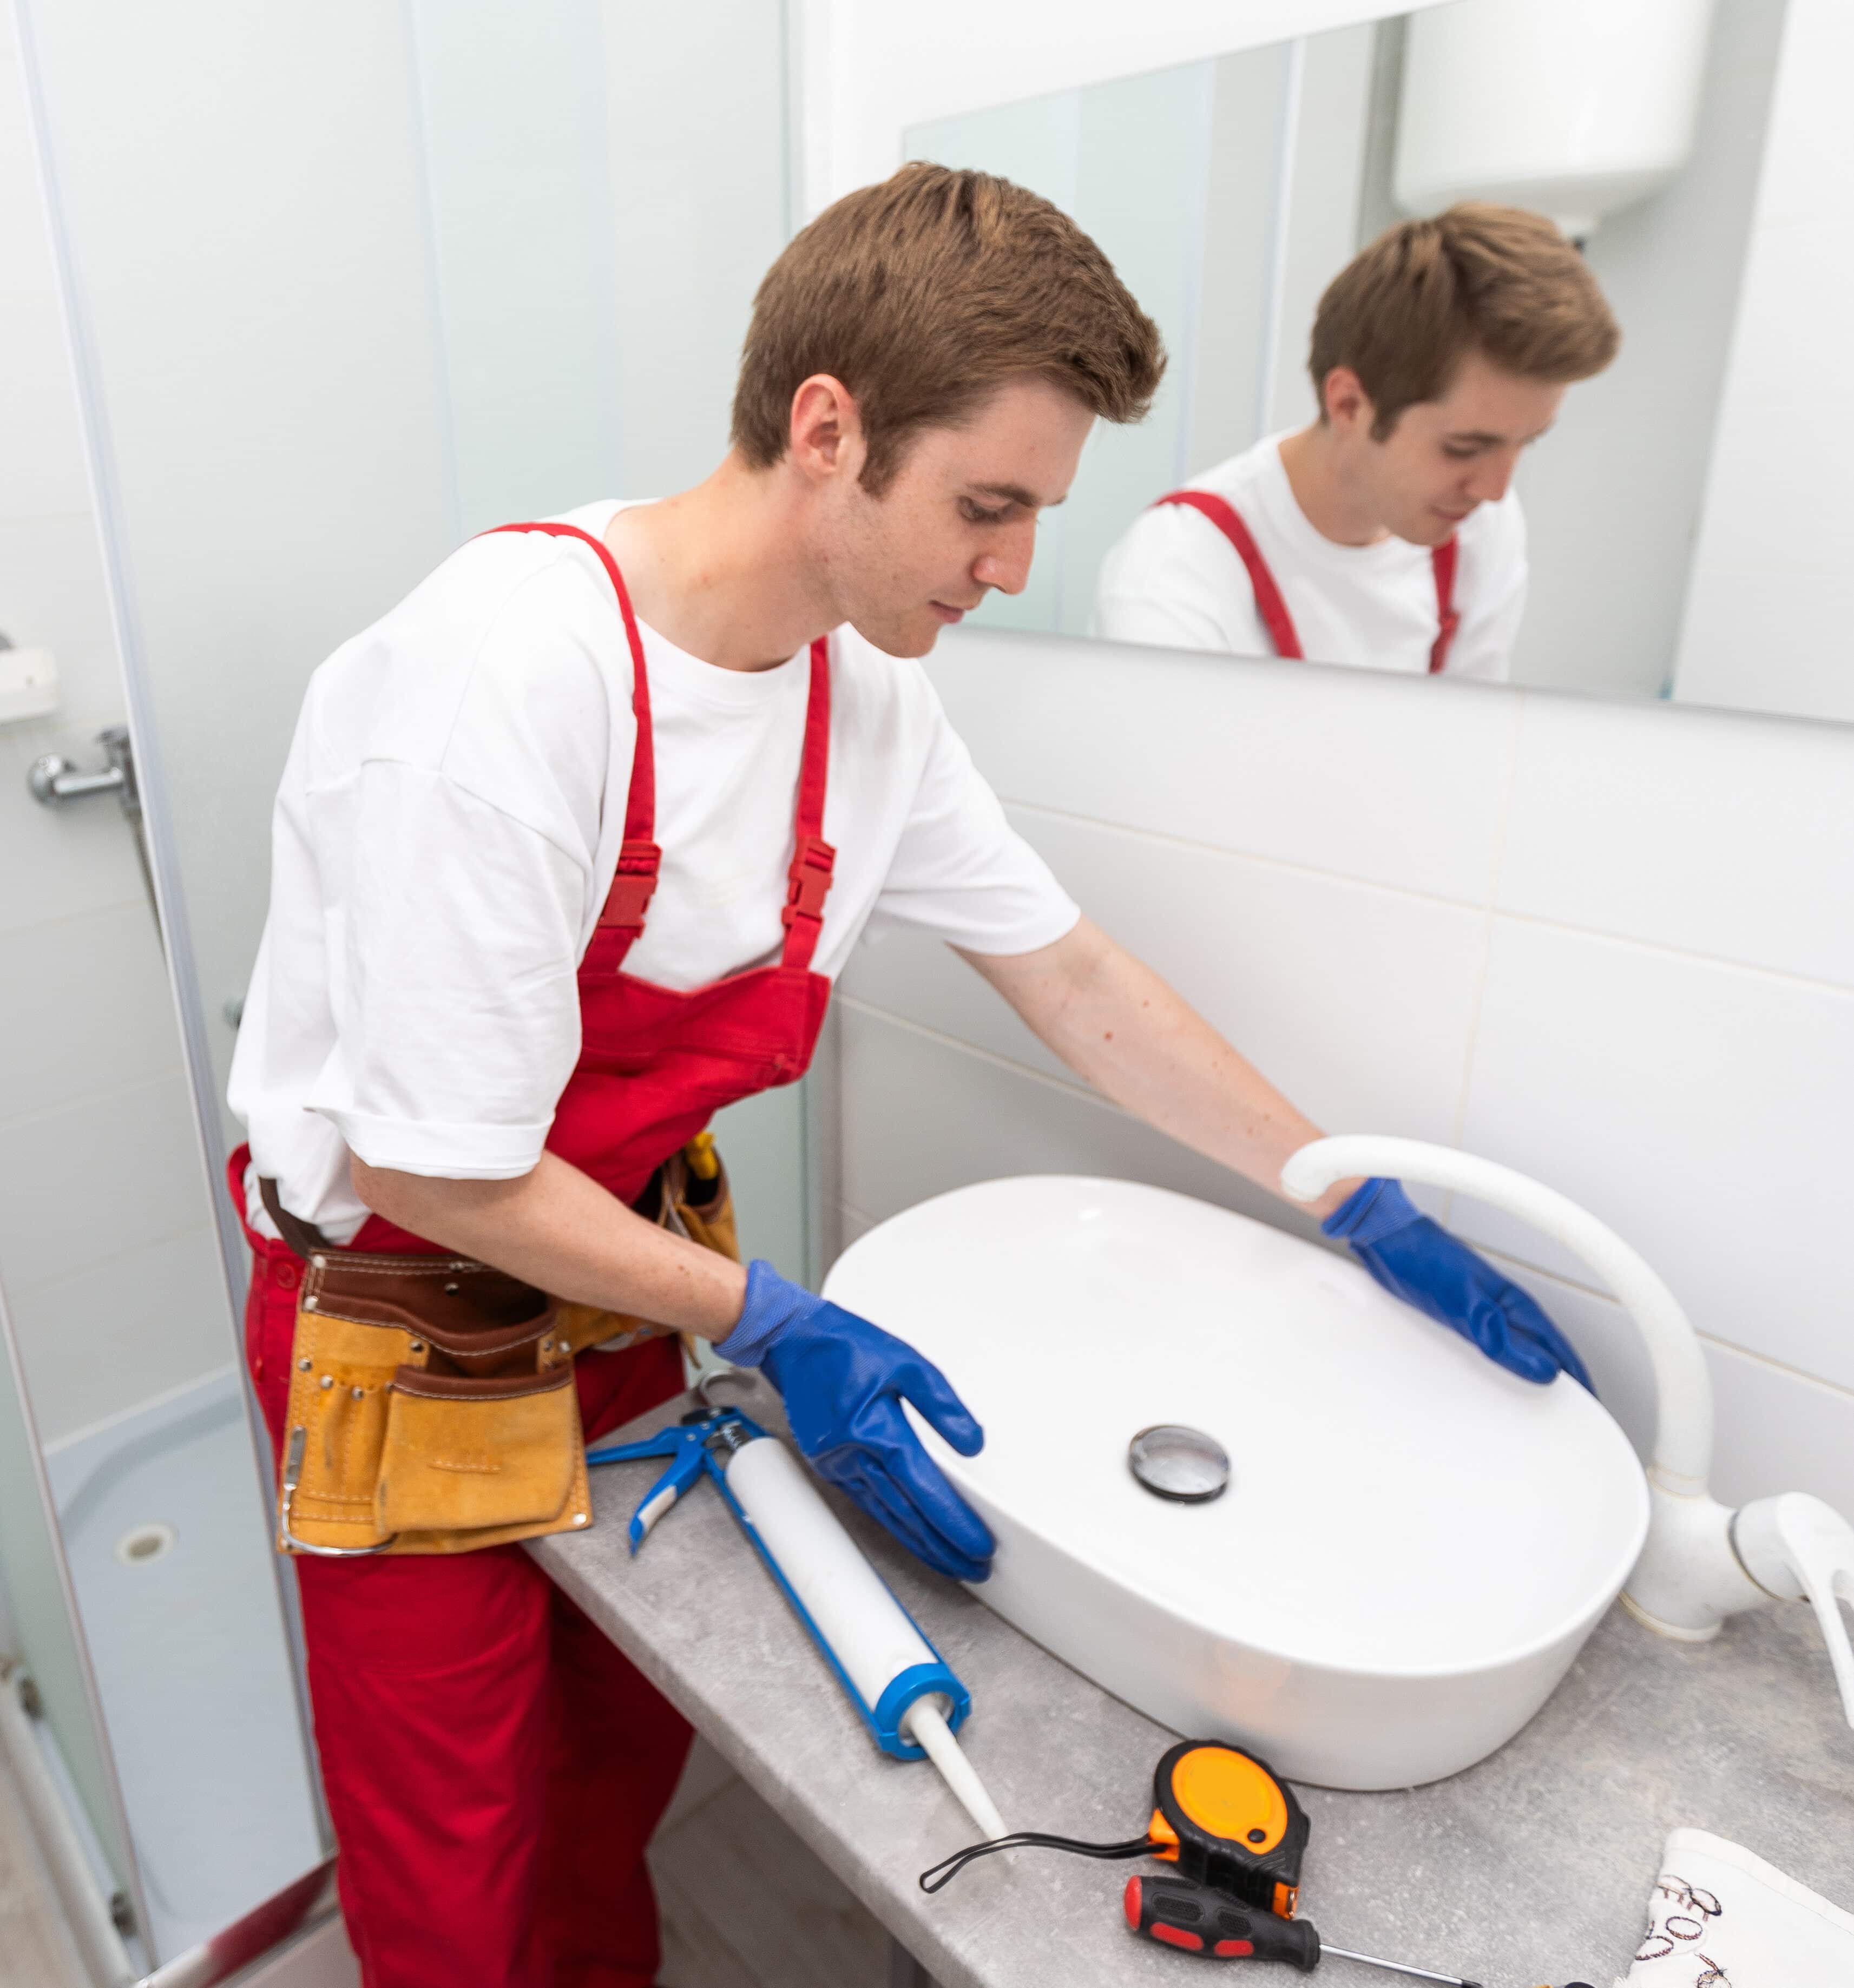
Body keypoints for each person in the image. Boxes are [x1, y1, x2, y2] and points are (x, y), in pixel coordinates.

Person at [226, 164, 1589, 1988]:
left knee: (621, 1759)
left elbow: (1073, 974)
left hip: (622, 1300)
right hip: (402, 1320)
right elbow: (442, 1163)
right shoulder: (503, 685)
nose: (1015, 566)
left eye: (1038, 511)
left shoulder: (858, 697)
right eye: (987, 504)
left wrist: (1340, 1190)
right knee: (457, 1863)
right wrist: (773, 1313)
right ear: (825, 431)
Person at [1094, 203, 1619, 678]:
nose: (1495, 490)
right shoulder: (1173, 579)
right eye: (1464, 448)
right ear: (1348, 404)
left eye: (1527, 442)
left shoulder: (1483, 530)